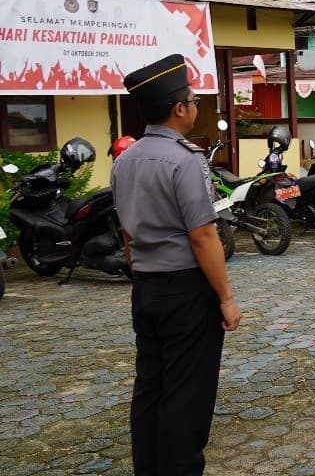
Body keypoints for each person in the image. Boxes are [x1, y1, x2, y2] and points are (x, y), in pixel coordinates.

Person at [112, 53, 242, 475]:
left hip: (146, 288)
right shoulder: (186, 160)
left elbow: (127, 235)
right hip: (186, 290)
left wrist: (142, 272)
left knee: (151, 386)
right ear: (179, 108)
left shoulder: (124, 161)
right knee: (188, 393)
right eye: (194, 100)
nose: (196, 107)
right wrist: (225, 298)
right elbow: (203, 235)